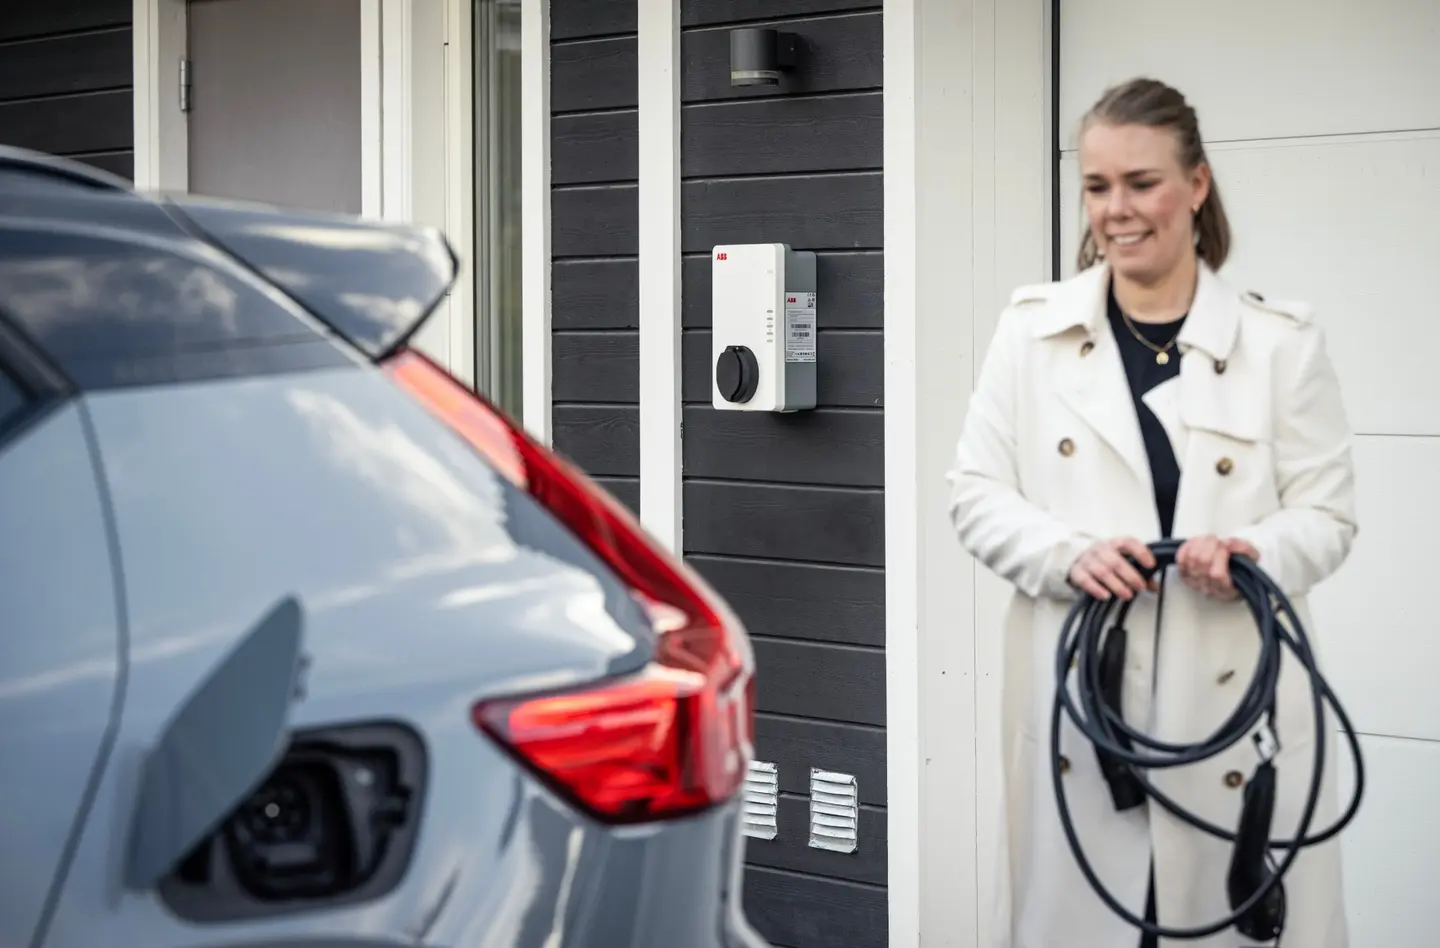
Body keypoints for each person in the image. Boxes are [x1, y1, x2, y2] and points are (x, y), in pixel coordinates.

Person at [946, 77, 1358, 947]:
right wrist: (1065, 555)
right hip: (1081, 715)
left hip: (1233, 719)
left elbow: (1326, 516)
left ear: (1198, 185)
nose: (1116, 211)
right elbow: (975, 494)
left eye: (1142, 183)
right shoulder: (1031, 335)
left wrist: (1251, 550)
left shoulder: (1280, 344)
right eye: (1097, 187)